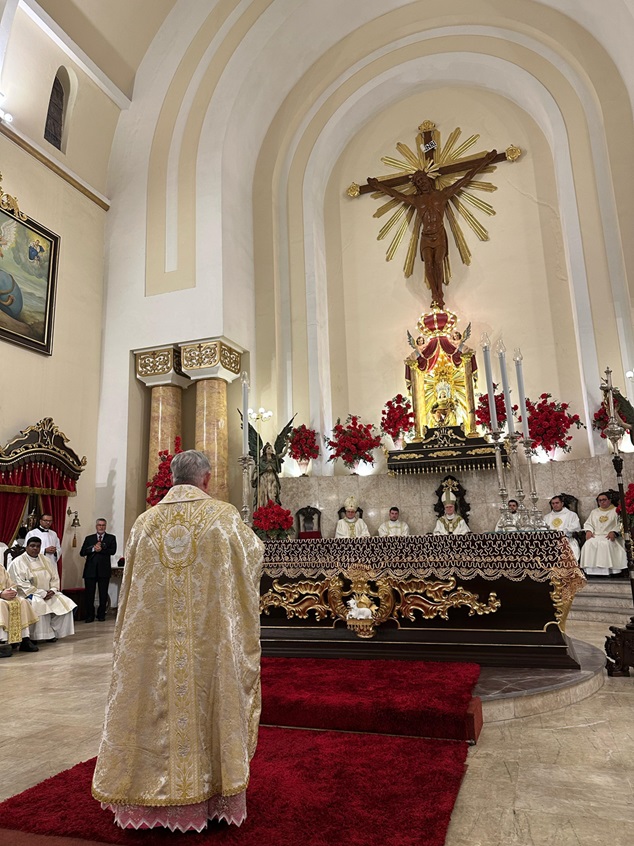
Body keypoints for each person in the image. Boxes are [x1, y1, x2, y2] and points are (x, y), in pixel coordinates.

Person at [92, 450, 264, 832]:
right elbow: (253, 558)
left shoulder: (145, 523)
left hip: (152, 647)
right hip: (208, 644)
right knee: (208, 703)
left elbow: (131, 589)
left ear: (172, 478)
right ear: (206, 479)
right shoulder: (224, 518)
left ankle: (147, 793)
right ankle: (210, 793)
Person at [367, 149, 497, 308]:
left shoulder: (442, 195)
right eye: (418, 182)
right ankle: (434, 295)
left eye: (422, 179)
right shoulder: (416, 199)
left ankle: (440, 293)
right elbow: (395, 194)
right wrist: (378, 186)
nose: (421, 183)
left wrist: (485, 161)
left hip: (439, 233)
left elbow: (465, 179)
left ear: (428, 179)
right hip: (426, 236)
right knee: (428, 263)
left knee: (438, 261)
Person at [7, 537, 76, 642]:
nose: (35, 548)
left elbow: (55, 577)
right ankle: (37, 636)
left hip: (48, 593)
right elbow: (20, 583)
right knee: (40, 604)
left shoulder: (46, 560)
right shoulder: (18, 562)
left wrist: (53, 590)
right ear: (26, 547)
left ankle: (53, 633)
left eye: (38, 546)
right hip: (28, 594)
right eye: (32, 546)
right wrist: (42, 593)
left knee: (65, 603)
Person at [580, 492, 628, 576]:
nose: (602, 502)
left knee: (605, 543)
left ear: (609, 500)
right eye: (600, 500)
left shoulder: (616, 511)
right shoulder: (594, 512)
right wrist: (588, 531)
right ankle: (591, 571)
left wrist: (614, 532)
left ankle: (611, 571)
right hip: (596, 535)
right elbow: (588, 523)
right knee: (588, 543)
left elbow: (620, 524)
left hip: (610, 536)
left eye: (604, 500)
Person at [80, 518, 117, 623]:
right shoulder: (89, 538)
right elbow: (82, 552)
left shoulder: (111, 538)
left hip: (104, 570)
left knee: (103, 594)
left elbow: (113, 551)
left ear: (106, 526)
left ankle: (101, 615)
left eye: (103, 525)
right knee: (89, 594)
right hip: (90, 570)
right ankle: (90, 615)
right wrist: (93, 549)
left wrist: (102, 549)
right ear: (96, 526)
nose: (101, 527)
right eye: (99, 525)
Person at [0, 565, 39, 656]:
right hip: (1, 598)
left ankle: (24, 639)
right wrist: (1, 594)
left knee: (22, 601)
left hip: (4, 597)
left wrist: (11, 591)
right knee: (1, 604)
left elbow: (11, 584)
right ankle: (2, 643)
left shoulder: (0, 567)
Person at [543, 495, 581, 560]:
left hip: (566, 540)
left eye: (557, 503)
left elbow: (576, 526)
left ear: (562, 503)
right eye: (553, 503)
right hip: (550, 541)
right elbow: (543, 528)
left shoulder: (572, 515)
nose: (555, 505)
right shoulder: (547, 517)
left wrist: (563, 532)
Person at [254, 442, 283, 509]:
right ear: (265, 451)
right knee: (263, 494)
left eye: (271, 448)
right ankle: (263, 510)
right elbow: (258, 469)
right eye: (269, 448)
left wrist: (287, 444)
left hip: (272, 477)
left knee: (273, 494)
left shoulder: (274, 459)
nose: (271, 450)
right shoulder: (261, 460)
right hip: (264, 478)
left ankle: (272, 510)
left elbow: (283, 454)